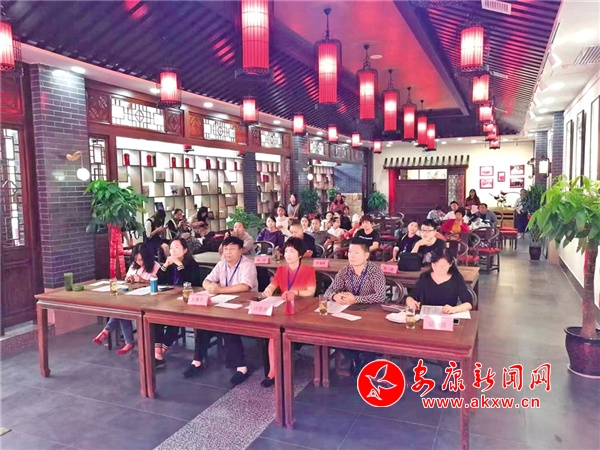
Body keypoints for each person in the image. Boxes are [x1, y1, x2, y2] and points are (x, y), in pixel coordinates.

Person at [183, 236, 258, 385]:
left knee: (228, 325)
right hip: (224, 304)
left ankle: (241, 367)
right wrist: (210, 287)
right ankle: (197, 361)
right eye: (226, 249)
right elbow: (207, 280)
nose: (228, 252)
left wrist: (220, 290)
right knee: (203, 323)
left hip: (244, 305)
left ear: (241, 250)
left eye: (232, 249)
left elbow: (245, 286)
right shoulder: (221, 264)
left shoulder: (247, 265)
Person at [260, 238, 316, 387]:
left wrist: (295, 292)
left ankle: (279, 366)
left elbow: (311, 292)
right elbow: (273, 285)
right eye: (286, 251)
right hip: (283, 307)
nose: (288, 254)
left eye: (292, 251)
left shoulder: (308, 270)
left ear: (300, 254)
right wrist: (268, 290)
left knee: (279, 333)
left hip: (302, 309)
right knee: (273, 332)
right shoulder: (281, 269)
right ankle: (273, 371)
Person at [324, 239, 386, 373]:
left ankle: (365, 363)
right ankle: (354, 358)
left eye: (356, 253)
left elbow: (381, 296)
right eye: (350, 252)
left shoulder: (375, 271)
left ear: (366, 255)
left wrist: (356, 299)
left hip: (370, 314)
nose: (351, 256)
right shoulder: (345, 270)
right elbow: (328, 292)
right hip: (348, 312)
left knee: (367, 338)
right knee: (334, 333)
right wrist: (335, 296)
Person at [93, 243, 160, 354]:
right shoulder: (134, 266)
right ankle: (127, 341)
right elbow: (128, 279)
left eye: (141, 259)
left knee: (123, 309)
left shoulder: (156, 267)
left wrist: (143, 281)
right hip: (132, 296)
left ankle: (109, 332)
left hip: (148, 299)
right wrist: (129, 279)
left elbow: (159, 285)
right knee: (123, 308)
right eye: (136, 260)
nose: (139, 262)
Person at [154, 238, 204, 368]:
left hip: (188, 300)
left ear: (185, 250)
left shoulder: (192, 264)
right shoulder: (170, 264)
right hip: (171, 298)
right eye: (171, 248)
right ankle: (157, 351)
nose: (173, 251)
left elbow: (189, 283)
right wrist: (165, 266)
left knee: (174, 319)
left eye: (177, 248)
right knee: (155, 317)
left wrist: (180, 265)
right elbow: (158, 281)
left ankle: (161, 351)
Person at [406, 250, 473, 314]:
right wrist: (411, 302)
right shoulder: (425, 277)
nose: (437, 269)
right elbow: (411, 296)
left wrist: (454, 309)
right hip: (427, 317)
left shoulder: (456, 278)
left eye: (442, 266)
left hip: (447, 316)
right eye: (435, 265)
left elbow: (468, 304)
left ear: (450, 264)